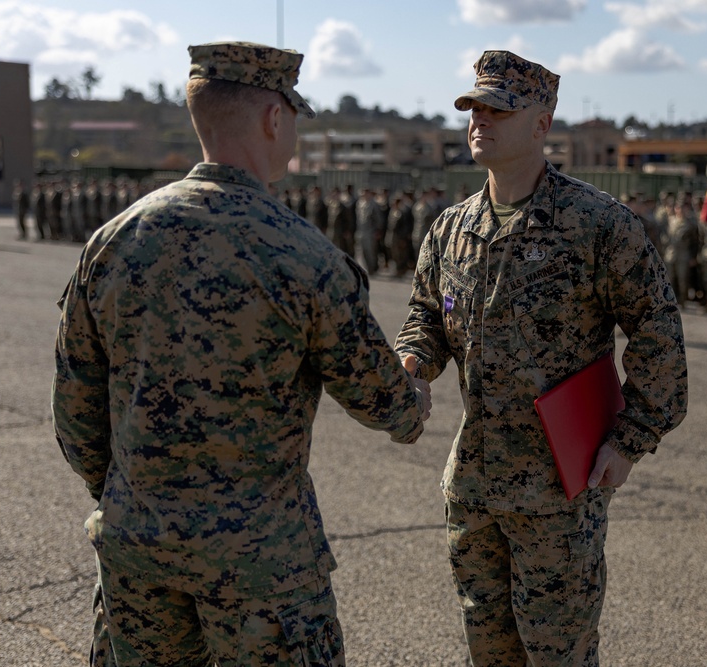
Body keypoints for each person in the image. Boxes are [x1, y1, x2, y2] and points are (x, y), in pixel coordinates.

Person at [52, 41, 432, 667]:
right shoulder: (303, 256)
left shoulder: (114, 242)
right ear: (273, 118)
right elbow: (383, 403)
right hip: (263, 572)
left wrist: (131, 494)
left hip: (138, 555)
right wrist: (413, 395)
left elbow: (75, 411)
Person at [394, 50, 688, 666]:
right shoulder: (452, 228)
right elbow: (426, 319)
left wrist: (632, 439)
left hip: (558, 492)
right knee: (490, 652)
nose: (481, 119)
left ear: (542, 123)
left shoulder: (597, 225)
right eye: (473, 106)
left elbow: (657, 332)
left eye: (499, 107)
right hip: (474, 487)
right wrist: (412, 365)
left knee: (559, 655)